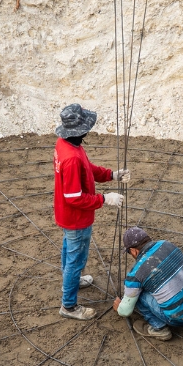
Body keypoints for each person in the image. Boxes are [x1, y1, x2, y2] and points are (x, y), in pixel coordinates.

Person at [54, 103, 129, 321]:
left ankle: (71, 281)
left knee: (69, 250)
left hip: (67, 215)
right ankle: (68, 306)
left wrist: (111, 175)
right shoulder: (71, 157)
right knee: (75, 259)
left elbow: (86, 168)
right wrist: (105, 199)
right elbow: (74, 197)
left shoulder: (66, 144)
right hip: (76, 218)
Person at [112, 226, 183, 341]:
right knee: (181, 276)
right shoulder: (166, 244)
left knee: (137, 295)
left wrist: (119, 307)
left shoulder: (136, 273)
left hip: (178, 319)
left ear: (134, 251)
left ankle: (159, 328)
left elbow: (125, 311)